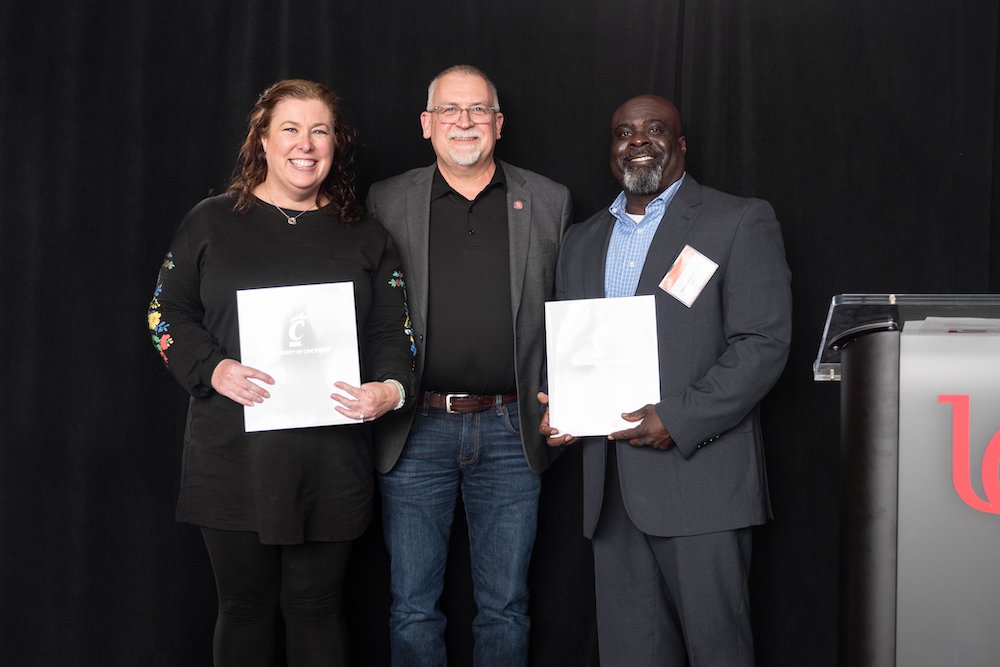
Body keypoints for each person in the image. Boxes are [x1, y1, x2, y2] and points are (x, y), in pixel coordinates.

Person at [146, 78, 415, 667]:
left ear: (336, 145)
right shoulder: (211, 222)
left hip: (331, 457)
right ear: (262, 141)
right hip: (232, 455)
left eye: (320, 130)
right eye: (289, 129)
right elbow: (166, 312)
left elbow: (394, 333)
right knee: (243, 608)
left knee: (318, 607)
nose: (306, 143)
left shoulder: (366, 235)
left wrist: (389, 390)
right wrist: (213, 369)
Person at [539, 94, 792, 666]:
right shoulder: (581, 240)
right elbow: (575, 347)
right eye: (624, 131)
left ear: (681, 144)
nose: (639, 139)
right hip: (611, 495)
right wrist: (561, 406)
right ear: (611, 150)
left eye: (656, 129)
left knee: (718, 653)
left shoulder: (736, 220)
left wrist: (677, 419)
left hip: (701, 483)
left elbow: (763, 345)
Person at [366, 65, 572, 666]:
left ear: (499, 124)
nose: (465, 121)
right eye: (450, 110)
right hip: (415, 430)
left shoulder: (550, 201)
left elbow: (570, 307)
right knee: (411, 608)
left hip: (514, 430)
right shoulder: (386, 200)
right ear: (427, 125)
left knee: (506, 607)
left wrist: (567, 395)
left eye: (478, 110)